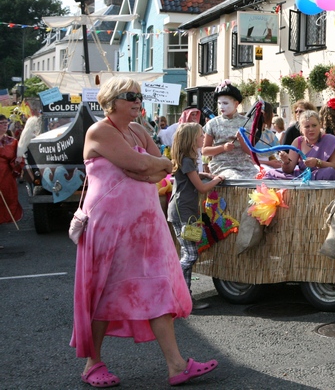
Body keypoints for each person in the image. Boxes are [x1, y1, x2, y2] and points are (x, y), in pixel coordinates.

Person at [72, 77, 218, 387]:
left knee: (156, 289)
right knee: (104, 292)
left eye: (139, 96)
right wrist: (148, 165)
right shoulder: (99, 131)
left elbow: (164, 167)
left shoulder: (138, 130)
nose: (138, 100)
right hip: (110, 227)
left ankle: (176, 365)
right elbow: (140, 164)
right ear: (111, 101)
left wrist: (151, 165)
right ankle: (92, 363)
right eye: (130, 96)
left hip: (146, 227)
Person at [167, 123, 225, 311]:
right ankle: (174, 289)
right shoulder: (187, 160)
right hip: (182, 212)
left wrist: (204, 173)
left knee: (189, 252)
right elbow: (201, 188)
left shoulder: (187, 160)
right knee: (190, 254)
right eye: (200, 135)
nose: (203, 138)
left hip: (185, 211)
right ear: (192, 140)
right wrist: (217, 179)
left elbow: (190, 175)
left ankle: (184, 296)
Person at [266, 110, 335, 180]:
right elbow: (289, 170)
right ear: (301, 129)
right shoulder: (298, 141)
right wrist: (286, 161)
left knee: (330, 172)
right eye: (307, 127)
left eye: (314, 125)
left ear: (320, 125)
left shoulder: (330, 140)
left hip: (322, 175)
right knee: (271, 173)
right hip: (302, 177)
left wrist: (317, 163)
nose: (311, 129)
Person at [202, 81, 258, 180]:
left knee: (260, 179)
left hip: (245, 165)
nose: (221, 107)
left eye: (225, 103)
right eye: (219, 103)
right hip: (222, 165)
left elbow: (251, 152)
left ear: (236, 104)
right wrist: (223, 148)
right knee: (236, 178)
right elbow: (205, 151)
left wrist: (242, 140)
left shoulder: (248, 123)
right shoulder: (212, 123)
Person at [0, 115, 22, 225]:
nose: (5, 125)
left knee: (8, 196)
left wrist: (17, 161)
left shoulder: (12, 142)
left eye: (6, 123)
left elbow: (18, 158)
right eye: (2, 123)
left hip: (6, 174)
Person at [255, 102, 282, 169]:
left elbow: (272, 155)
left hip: (268, 165)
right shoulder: (250, 133)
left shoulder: (269, 134)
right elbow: (248, 159)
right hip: (256, 167)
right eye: (271, 113)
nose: (272, 115)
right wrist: (269, 163)